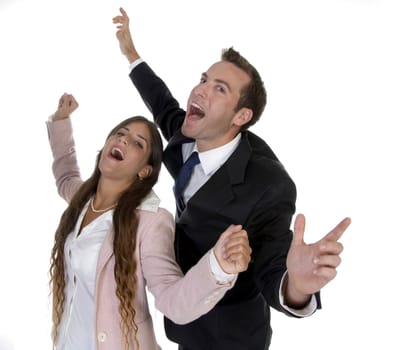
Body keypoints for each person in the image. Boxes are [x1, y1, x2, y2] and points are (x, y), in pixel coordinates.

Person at [113, 8, 351, 350]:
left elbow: (271, 262)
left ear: (241, 116)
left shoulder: (268, 184)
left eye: (219, 89)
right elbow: (161, 104)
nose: (200, 90)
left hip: (232, 335)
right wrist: (131, 54)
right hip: (187, 316)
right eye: (204, 79)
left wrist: (295, 287)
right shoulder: (188, 136)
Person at [47, 93, 252, 350]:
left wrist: (219, 267)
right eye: (120, 133)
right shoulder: (83, 201)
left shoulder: (150, 222)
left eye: (137, 143)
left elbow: (172, 299)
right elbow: (66, 174)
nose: (124, 139)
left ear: (145, 170)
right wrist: (61, 120)